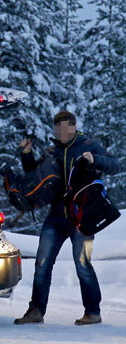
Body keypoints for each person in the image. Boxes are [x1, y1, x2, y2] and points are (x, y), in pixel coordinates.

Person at [14, 110, 120, 325]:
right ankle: (35, 311)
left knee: (82, 264)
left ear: (74, 128)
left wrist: (95, 159)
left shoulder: (88, 145)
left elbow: (115, 165)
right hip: (55, 217)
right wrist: (26, 154)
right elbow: (34, 176)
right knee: (42, 264)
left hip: (82, 218)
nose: (62, 133)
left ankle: (93, 312)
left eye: (66, 129)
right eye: (58, 129)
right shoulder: (52, 151)